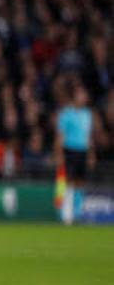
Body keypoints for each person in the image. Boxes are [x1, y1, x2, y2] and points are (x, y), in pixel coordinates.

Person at [55, 83, 97, 224]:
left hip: (82, 151)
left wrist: (91, 154)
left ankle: (77, 213)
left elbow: (88, 136)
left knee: (80, 182)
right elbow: (60, 136)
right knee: (67, 181)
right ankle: (65, 213)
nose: (84, 97)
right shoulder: (66, 114)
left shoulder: (87, 114)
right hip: (69, 150)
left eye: (85, 94)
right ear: (75, 96)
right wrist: (59, 154)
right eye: (81, 94)